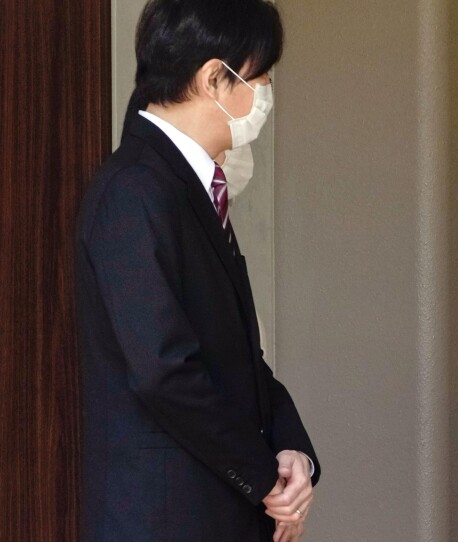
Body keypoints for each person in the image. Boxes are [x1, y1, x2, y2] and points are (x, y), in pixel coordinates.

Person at [75, 2, 318, 541]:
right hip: (168, 519)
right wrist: (264, 480)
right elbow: (166, 372)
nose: (265, 97)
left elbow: (238, 358)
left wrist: (292, 450)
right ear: (215, 78)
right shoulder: (134, 192)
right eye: (260, 79)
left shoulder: (185, 188)